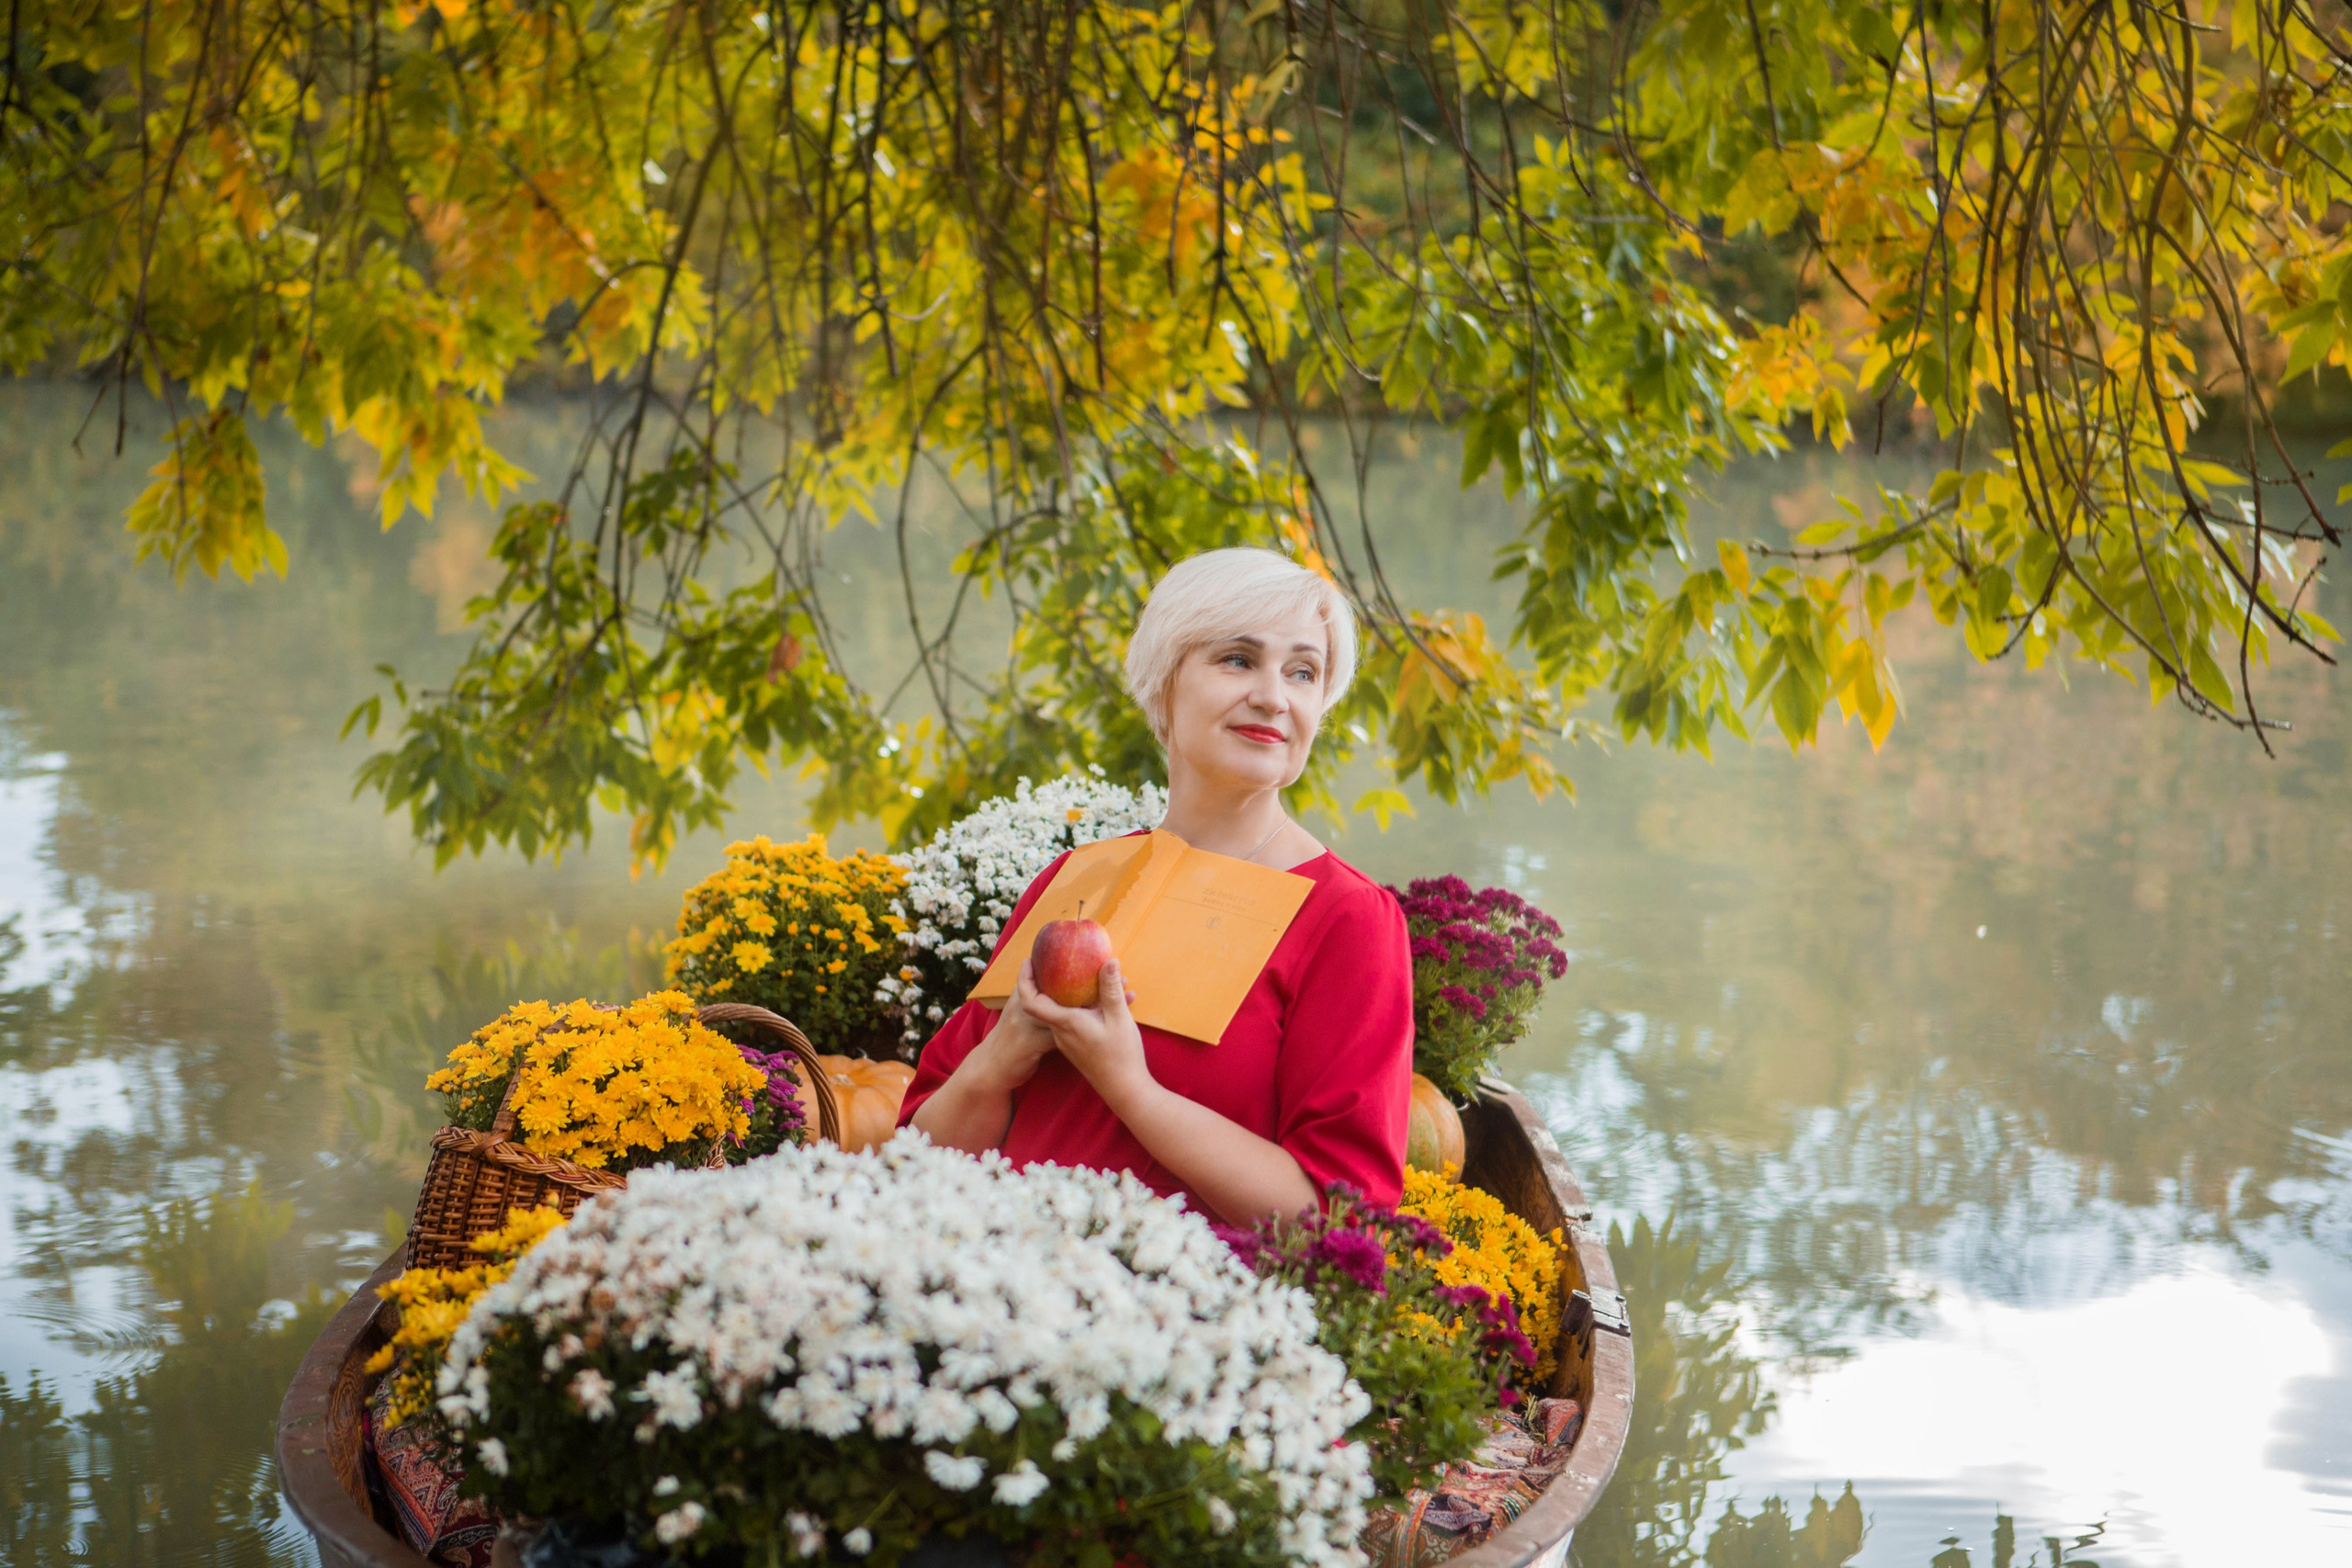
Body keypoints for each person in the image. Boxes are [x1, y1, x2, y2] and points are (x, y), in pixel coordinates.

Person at [899, 547, 1414, 1224]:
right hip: (985, 1285)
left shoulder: (1347, 918)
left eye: (1302, 671)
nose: (1273, 695)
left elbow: (1338, 1218)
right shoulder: (1078, 880)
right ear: (1163, 680)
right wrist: (1002, 1056)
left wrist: (1130, 1088)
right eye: (1237, 658)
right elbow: (912, 1161)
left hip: (1186, 1313)